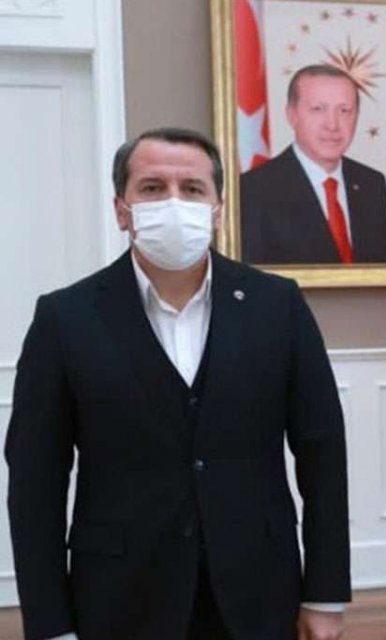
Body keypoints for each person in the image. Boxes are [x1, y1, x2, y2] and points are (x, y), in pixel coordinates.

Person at [7, 128, 351, 639]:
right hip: (120, 596)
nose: (173, 202)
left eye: (192, 189)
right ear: (122, 209)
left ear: (217, 210)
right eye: (152, 188)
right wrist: (50, 625)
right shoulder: (64, 318)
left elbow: (322, 451)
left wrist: (324, 593)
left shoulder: (278, 305)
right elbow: (35, 482)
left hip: (258, 589)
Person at [240, 64, 386, 265]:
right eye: (318, 109)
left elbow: (384, 276)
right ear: (292, 115)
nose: (332, 125)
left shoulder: (372, 184)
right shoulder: (253, 190)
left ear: (356, 116)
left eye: (344, 110)